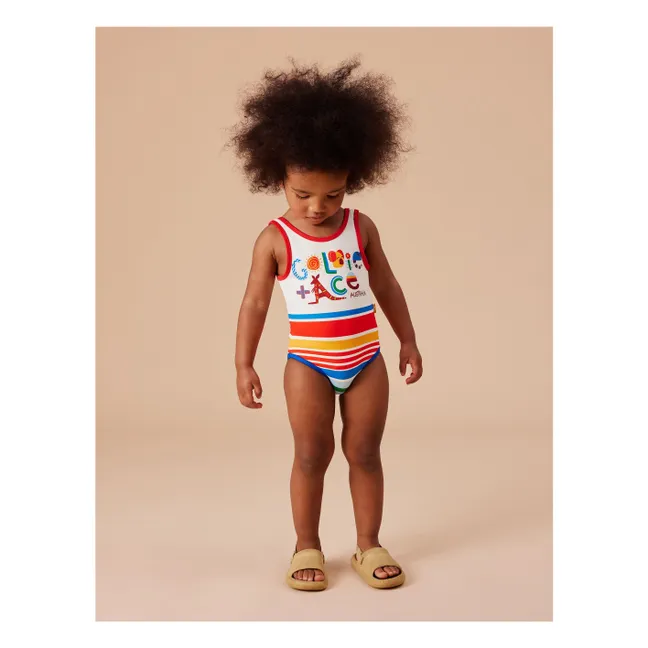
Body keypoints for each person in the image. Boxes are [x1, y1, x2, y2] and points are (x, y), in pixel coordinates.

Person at [229, 57, 423, 591]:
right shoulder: (275, 238)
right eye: (303, 194)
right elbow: (254, 304)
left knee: (365, 452)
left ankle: (368, 544)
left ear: (352, 179)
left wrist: (407, 339)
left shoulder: (362, 227)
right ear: (278, 178)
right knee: (312, 454)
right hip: (308, 364)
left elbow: (387, 286)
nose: (318, 207)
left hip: (366, 361)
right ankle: (306, 545)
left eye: (333, 194)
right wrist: (243, 363)